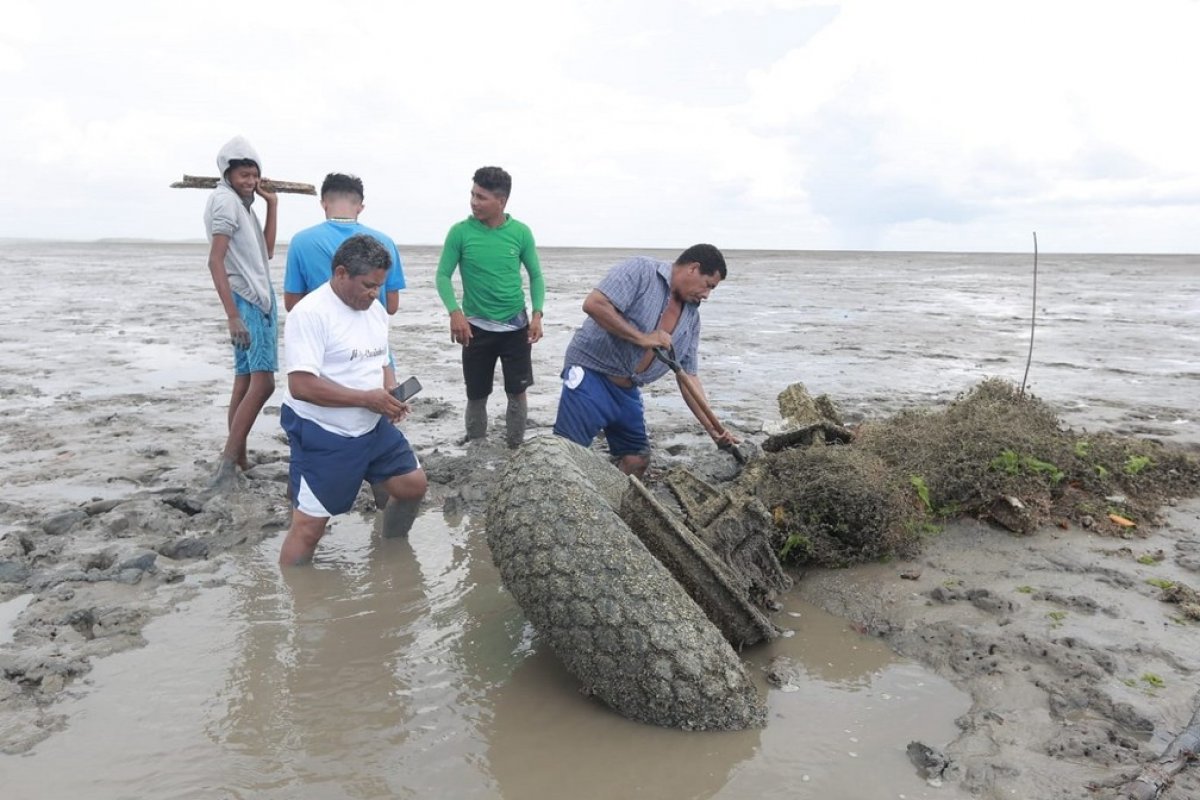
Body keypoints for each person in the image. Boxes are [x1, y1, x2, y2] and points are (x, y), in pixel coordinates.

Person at [278, 234, 428, 566]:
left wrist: (388, 393)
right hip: (324, 431)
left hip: (372, 425)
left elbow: (382, 358)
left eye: (380, 286)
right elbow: (301, 385)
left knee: (412, 485)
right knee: (309, 529)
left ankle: (393, 551)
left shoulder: (374, 310)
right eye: (368, 285)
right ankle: (295, 599)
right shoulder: (310, 314)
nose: (375, 294)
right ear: (341, 273)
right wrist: (366, 399)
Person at [552, 244, 739, 477]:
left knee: (637, 460)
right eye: (708, 285)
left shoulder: (691, 318)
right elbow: (594, 304)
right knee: (566, 456)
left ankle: (610, 506)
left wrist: (714, 429)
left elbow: (688, 376)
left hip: (628, 390)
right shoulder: (641, 271)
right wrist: (641, 338)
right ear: (693, 268)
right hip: (592, 374)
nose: (707, 295)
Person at [435, 166, 545, 448]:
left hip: (515, 327)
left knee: (517, 392)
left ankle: (514, 445)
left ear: (501, 201)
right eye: (472, 194)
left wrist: (537, 314)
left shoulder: (520, 233)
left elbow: (535, 275)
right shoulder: (460, 232)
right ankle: (476, 443)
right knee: (476, 393)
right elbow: (443, 275)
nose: (473, 202)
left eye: (481, 197)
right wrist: (454, 312)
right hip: (475, 328)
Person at [203, 135, 279, 489]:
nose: (250, 181)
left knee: (245, 381)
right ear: (227, 174)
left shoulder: (242, 205)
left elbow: (266, 253)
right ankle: (228, 460)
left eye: (254, 175)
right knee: (263, 384)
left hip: (256, 298)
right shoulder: (224, 203)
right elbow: (215, 261)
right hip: (247, 301)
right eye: (243, 175)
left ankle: (240, 458)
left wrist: (272, 206)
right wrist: (232, 315)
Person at [283, 173, 405, 314]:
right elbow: (391, 306)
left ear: (323, 204)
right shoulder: (385, 242)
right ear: (360, 207)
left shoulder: (300, 241)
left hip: (321, 328)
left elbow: (292, 304)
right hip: (369, 330)